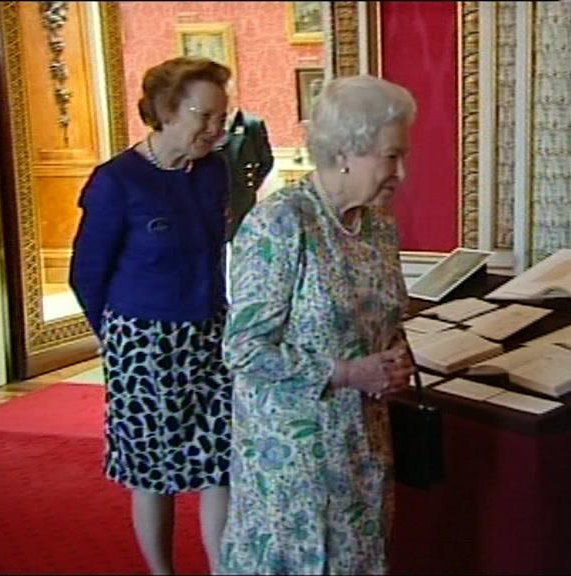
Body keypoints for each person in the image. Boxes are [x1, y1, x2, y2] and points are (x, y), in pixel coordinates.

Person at [217, 74, 417, 575]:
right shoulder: (280, 223)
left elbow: (387, 316)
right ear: (347, 150)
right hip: (291, 458)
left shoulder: (377, 222)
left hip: (362, 443)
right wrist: (349, 373)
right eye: (390, 156)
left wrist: (395, 359)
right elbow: (243, 349)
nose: (402, 172)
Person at [69, 56, 233, 574]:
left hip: (210, 334)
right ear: (164, 110)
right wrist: (120, 339)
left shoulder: (213, 172)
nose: (213, 128)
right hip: (144, 343)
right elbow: (87, 274)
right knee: (152, 471)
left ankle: (222, 568)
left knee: (221, 463)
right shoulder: (117, 182)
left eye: (220, 117)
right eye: (202, 116)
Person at [217, 80, 275, 243]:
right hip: (215, 195)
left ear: (234, 96)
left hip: (241, 197)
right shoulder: (210, 126)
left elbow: (266, 160)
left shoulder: (251, 125)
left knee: (243, 242)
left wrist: (249, 186)